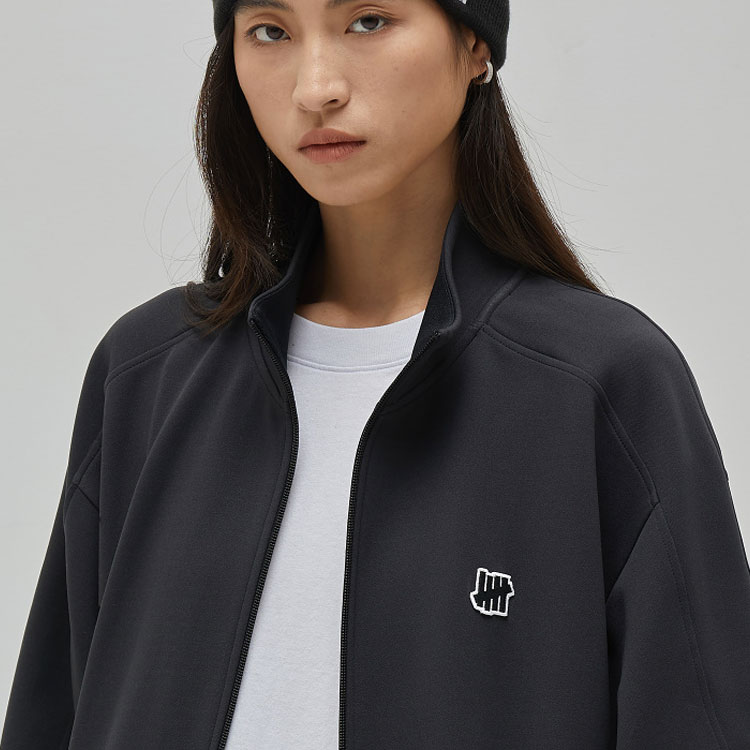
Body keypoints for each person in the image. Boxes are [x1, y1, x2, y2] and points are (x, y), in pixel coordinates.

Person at [2, 0, 749, 748]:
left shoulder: (601, 384)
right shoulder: (145, 375)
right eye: (270, 32)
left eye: (368, 21)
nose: (315, 88)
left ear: (475, 44)